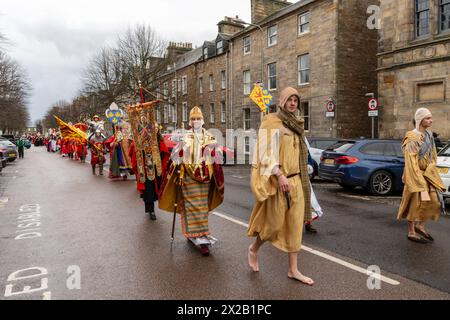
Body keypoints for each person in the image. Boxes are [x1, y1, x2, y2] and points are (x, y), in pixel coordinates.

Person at [247, 87, 314, 286]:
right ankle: (253, 249)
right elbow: (265, 152)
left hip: (297, 181)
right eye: (289, 99)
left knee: (295, 226)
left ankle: (293, 270)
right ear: (282, 101)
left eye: (296, 100)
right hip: (280, 181)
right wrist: (279, 174)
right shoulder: (271, 121)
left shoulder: (298, 124)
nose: (293, 103)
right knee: (273, 225)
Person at [159, 106, 224, 256]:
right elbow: (174, 155)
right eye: (193, 119)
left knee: (202, 208)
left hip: (206, 177)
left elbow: (218, 154)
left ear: (203, 120)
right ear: (190, 121)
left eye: (198, 118)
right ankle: (194, 236)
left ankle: (201, 236)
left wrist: (213, 150)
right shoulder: (185, 136)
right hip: (188, 177)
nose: (196, 121)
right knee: (190, 207)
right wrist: (179, 154)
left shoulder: (210, 136)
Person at [398, 108, 446, 243]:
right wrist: (417, 179)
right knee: (415, 202)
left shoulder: (429, 135)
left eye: (431, 117)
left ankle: (421, 225)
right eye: (428, 118)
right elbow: (410, 160)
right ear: (420, 120)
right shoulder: (412, 137)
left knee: (433, 201)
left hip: (427, 174)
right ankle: (411, 231)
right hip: (415, 174)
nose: (431, 120)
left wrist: (431, 169)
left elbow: (433, 154)